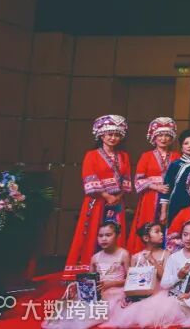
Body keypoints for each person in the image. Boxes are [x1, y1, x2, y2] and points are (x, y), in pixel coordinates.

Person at [106, 220, 190, 328]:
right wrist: (129, 296)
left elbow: (166, 280)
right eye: (157, 231)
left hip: (163, 294)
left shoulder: (167, 254)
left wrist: (153, 261)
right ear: (146, 238)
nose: (162, 234)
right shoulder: (137, 257)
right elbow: (132, 282)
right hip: (143, 295)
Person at [66, 115, 132, 279]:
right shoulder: (92, 155)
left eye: (116, 135)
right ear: (101, 135)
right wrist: (106, 195)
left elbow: (126, 179)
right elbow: (89, 177)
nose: (113, 138)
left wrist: (119, 196)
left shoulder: (124, 156)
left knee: (116, 232)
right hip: (96, 201)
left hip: (117, 201)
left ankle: (114, 273)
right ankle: (88, 271)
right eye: (109, 134)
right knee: (93, 233)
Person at [46, 222, 129, 329]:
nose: (103, 239)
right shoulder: (95, 257)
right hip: (98, 292)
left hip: (116, 291)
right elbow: (89, 279)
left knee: (100, 309)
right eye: (100, 236)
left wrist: (111, 283)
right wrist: (78, 286)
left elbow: (130, 280)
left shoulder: (123, 254)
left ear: (118, 235)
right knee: (74, 309)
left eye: (108, 235)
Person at [129, 117, 178, 254]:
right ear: (154, 137)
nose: (163, 139)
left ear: (171, 138)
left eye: (167, 135)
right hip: (150, 198)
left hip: (170, 197)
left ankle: (166, 257)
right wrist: (156, 186)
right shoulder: (146, 156)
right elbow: (138, 180)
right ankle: (144, 256)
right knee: (148, 225)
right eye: (160, 135)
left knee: (168, 226)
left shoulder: (177, 156)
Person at [161, 129, 190, 223]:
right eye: (186, 143)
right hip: (176, 204)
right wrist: (163, 212)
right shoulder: (175, 165)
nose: (189, 146)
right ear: (181, 148)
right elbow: (166, 189)